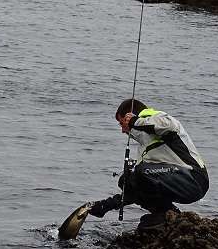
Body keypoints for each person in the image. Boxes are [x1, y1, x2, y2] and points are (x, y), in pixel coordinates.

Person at [87, 98, 209, 229]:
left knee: (140, 172)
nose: (122, 130)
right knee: (127, 180)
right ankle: (167, 214)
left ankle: (164, 214)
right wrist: (107, 205)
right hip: (178, 181)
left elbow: (169, 125)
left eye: (122, 123)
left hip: (194, 179)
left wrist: (135, 121)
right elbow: (136, 189)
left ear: (130, 116)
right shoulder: (145, 146)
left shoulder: (157, 116)